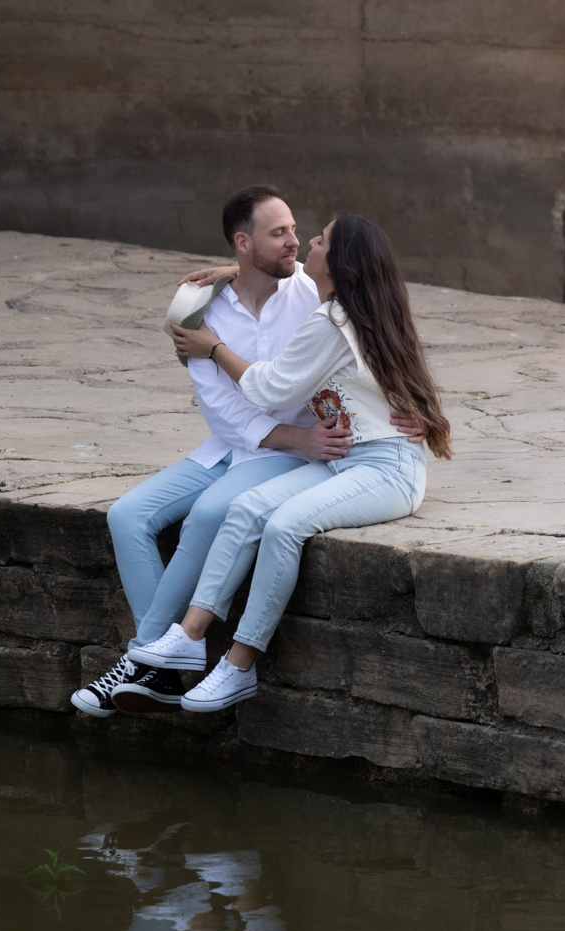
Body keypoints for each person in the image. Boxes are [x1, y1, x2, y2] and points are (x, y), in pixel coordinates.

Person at [140, 214, 452, 711]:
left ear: (340, 261)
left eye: (321, 240)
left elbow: (269, 388)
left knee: (283, 525)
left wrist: (214, 347)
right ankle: (190, 636)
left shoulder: (333, 321)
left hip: (385, 469)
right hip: (344, 460)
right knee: (246, 509)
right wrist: (233, 270)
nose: (308, 241)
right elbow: (287, 275)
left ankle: (238, 666)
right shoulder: (358, 308)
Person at [70, 185, 347, 717]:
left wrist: (308, 439)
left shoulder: (313, 293)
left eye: (294, 230)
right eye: (279, 233)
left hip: (289, 455)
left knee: (208, 515)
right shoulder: (197, 310)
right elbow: (223, 412)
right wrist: (296, 437)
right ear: (243, 243)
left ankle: (140, 666)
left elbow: (373, 317)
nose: (294, 241)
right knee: (127, 516)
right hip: (233, 445)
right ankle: (166, 668)